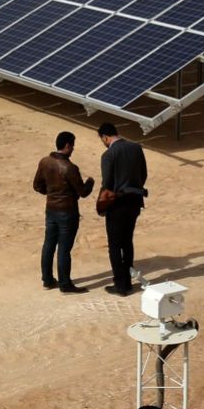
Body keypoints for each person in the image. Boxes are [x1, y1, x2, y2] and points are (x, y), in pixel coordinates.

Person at [33, 130, 95, 293]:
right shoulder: (69, 168)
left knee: (48, 245)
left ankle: (47, 279)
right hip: (67, 213)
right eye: (72, 145)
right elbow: (83, 192)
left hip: (51, 210)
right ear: (67, 145)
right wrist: (90, 182)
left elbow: (37, 186)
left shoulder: (45, 162)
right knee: (64, 249)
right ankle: (65, 284)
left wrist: (52, 194)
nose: (73, 148)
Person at [98, 121, 148, 296]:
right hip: (135, 201)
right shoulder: (136, 148)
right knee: (127, 241)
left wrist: (103, 202)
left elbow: (107, 184)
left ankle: (121, 284)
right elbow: (143, 174)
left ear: (105, 137)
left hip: (117, 204)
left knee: (114, 245)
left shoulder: (108, 155)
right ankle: (127, 278)